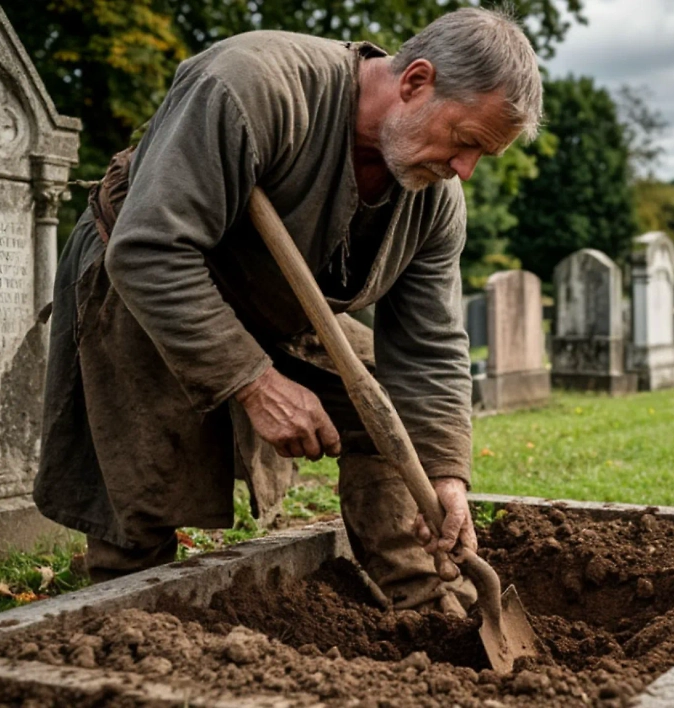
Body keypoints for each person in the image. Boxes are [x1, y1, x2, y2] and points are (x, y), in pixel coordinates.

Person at [34, 8, 543, 614]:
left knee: (389, 408)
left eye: (481, 155)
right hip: (147, 279)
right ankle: (131, 633)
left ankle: (432, 603)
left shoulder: (434, 199)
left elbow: (430, 346)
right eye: (465, 142)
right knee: (143, 494)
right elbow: (149, 250)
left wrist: (446, 474)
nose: (464, 170)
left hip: (277, 300)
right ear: (415, 82)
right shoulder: (250, 86)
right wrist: (253, 381)